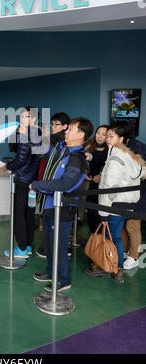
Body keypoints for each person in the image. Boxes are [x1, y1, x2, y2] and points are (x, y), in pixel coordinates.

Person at [30, 117, 93, 292]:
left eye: (70, 130)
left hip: (64, 209)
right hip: (50, 206)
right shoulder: (62, 149)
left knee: (58, 246)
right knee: (49, 244)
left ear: (81, 135)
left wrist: (37, 185)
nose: (66, 131)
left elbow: (65, 183)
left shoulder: (77, 158)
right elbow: (40, 151)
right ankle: (51, 273)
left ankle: (63, 280)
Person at [85, 122, 146, 283]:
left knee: (109, 237)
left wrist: (103, 213)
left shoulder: (115, 159)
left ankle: (109, 267)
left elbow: (107, 188)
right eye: (107, 135)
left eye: (111, 136)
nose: (107, 139)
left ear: (121, 139)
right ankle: (116, 268)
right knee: (116, 236)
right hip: (126, 204)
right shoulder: (129, 156)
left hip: (113, 205)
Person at [1, 106, 45, 259]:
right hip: (32, 180)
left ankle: (20, 248)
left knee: (19, 214)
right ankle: (26, 245)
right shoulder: (38, 134)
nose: (22, 120)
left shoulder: (30, 134)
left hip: (23, 180)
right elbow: (13, 148)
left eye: (26, 117)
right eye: (21, 117)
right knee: (28, 213)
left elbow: (20, 160)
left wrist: (7, 166)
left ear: (33, 119)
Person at [35, 112, 70, 258]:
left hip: (59, 189)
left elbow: (40, 153)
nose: (53, 127)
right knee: (50, 221)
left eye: (57, 124)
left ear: (65, 127)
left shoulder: (64, 142)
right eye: (52, 124)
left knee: (57, 223)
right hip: (50, 186)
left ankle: (58, 251)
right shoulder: (54, 140)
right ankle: (51, 250)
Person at [121, 123, 146, 270]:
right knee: (123, 224)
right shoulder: (121, 148)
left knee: (132, 226)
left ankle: (133, 257)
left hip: (138, 194)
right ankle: (125, 252)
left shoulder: (139, 149)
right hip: (124, 194)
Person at [85, 125, 110, 233]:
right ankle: (93, 238)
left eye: (104, 134)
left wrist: (101, 175)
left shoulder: (110, 150)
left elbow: (106, 164)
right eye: (98, 133)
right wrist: (84, 174)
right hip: (88, 184)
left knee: (99, 214)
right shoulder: (87, 146)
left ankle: (99, 239)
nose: (99, 136)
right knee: (90, 212)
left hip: (102, 185)